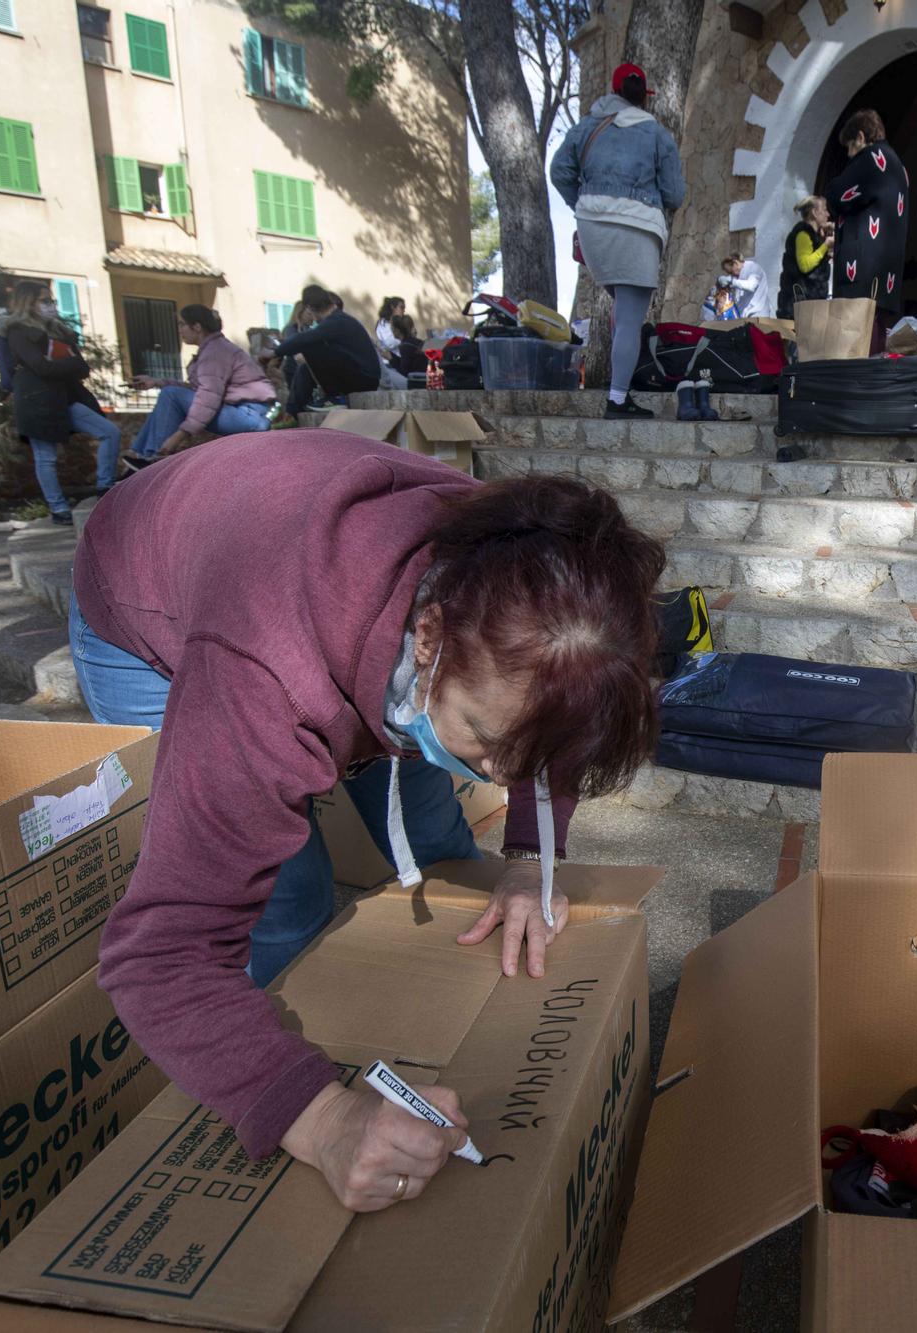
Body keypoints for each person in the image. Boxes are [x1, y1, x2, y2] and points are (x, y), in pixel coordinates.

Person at [70, 435, 665, 1211]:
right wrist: (323, 1120)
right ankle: (259, 1065)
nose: (502, 778)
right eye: (487, 743)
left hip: (285, 548)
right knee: (288, 902)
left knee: (438, 837)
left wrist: (525, 855)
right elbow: (162, 948)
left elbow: (548, 729)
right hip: (144, 587)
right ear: (428, 639)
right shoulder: (260, 673)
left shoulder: (530, 585)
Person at [551, 60, 686, 419]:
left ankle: (620, 385)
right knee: (629, 317)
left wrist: (582, 204)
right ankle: (617, 399)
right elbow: (674, 193)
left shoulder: (588, 127)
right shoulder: (656, 134)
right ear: (644, 98)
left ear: (614, 92)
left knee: (619, 308)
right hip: (638, 226)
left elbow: (559, 171)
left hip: (594, 225)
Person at [0, 280, 122, 525]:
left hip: (65, 399)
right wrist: (68, 365)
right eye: (45, 301)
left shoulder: (60, 332)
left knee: (110, 432)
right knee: (46, 456)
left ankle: (105, 486)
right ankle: (58, 508)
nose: (51, 306)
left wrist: (64, 365)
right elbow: (41, 367)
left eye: (51, 300)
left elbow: (81, 368)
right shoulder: (18, 332)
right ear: (29, 303)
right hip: (36, 401)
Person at [125, 305, 276, 464]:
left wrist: (178, 436)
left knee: (170, 394)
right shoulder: (212, 349)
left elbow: (207, 398)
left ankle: (153, 457)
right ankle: (141, 455)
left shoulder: (216, 352)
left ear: (197, 327)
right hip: (244, 412)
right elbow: (197, 389)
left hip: (251, 415)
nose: (179, 330)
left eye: (182, 324)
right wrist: (156, 382)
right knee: (169, 393)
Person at [826, 109, 909, 355]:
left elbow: (838, 195)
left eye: (850, 147)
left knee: (856, 342)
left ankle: (855, 388)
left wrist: (833, 189)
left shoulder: (871, 158)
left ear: (860, 137)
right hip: (885, 274)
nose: (850, 155)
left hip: (862, 267)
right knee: (876, 332)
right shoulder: (899, 167)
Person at [267, 285, 381, 416]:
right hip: (363, 376)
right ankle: (293, 413)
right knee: (305, 368)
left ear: (310, 308)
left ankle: (336, 398)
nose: (314, 320)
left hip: (364, 380)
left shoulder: (337, 322)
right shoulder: (339, 320)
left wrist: (275, 352)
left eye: (311, 314)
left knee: (311, 346)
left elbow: (304, 339)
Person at [778, 195, 834, 320]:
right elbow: (805, 265)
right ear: (814, 212)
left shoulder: (815, 235)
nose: (828, 214)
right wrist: (825, 245)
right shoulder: (803, 234)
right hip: (798, 305)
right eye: (824, 209)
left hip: (810, 302)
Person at [721, 253, 773, 319]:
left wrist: (732, 281)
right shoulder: (738, 275)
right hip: (745, 315)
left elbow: (751, 286)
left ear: (735, 263)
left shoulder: (753, 267)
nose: (732, 275)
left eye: (731, 272)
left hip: (758, 313)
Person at [387, 313, 428, 379]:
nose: (391, 331)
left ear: (397, 331)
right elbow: (405, 364)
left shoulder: (406, 347)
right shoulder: (415, 342)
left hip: (416, 381)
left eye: (392, 328)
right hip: (422, 377)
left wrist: (390, 359)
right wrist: (391, 356)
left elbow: (403, 373)